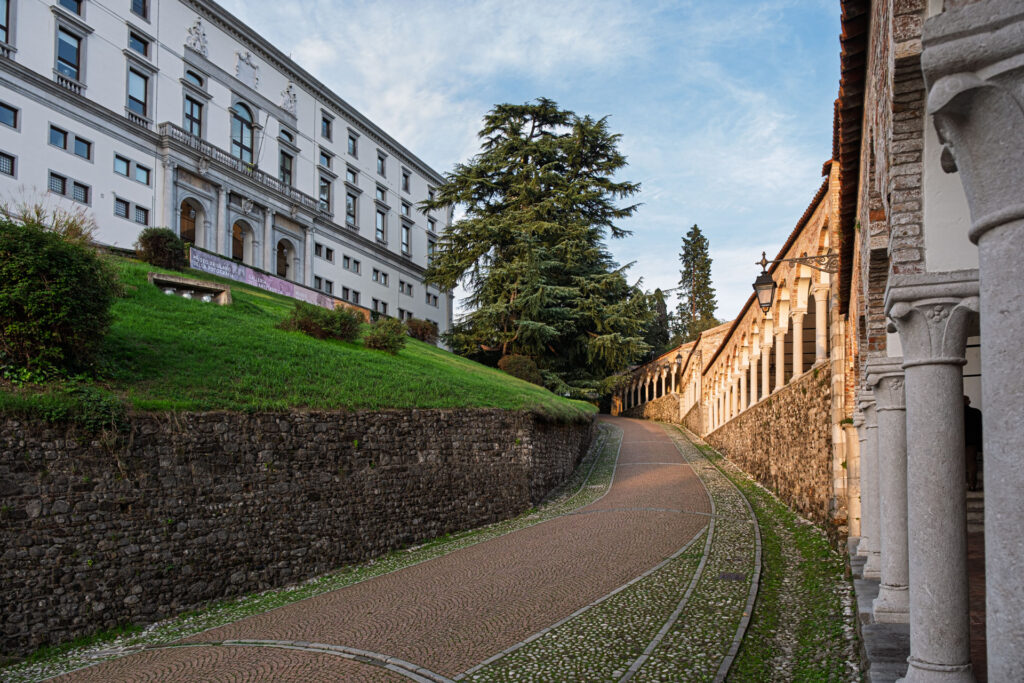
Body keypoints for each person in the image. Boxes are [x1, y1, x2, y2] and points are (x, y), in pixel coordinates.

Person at [964, 395, 983, 491]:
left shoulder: (954, 412)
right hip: (971, 441)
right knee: (971, 462)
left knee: (967, 463)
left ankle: (969, 483)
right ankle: (972, 484)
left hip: (964, 441)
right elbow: (980, 428)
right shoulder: (976, 412)